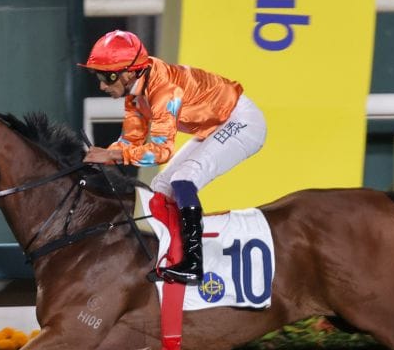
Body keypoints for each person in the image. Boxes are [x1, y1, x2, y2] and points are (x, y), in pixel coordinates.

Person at [80, 29, 267, 285]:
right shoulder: (135, 93)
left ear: (128, 72)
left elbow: (160, 152)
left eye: (107, 77)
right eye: (99, 77)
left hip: (242, 121)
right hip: (214, 125)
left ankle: (194, 263)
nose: (102, 85)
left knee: (184, 178)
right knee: (160, 187)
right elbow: (129, 142)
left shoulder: (164, 89)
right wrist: (98, 157)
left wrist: (112, 155)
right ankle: (168, 256)